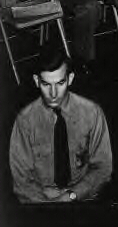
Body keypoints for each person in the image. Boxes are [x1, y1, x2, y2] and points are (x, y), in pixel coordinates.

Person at [9, 49, 112, 203]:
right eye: (46, 84)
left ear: (70, 79)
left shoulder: (92, 113)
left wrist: (71, 195)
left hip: (83, 198)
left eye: (60, 83)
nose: (53, 93)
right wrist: (49, 203)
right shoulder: (25, 121)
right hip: (39, 202)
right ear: (36, 81)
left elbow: (103, 168)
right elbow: (20, 180)